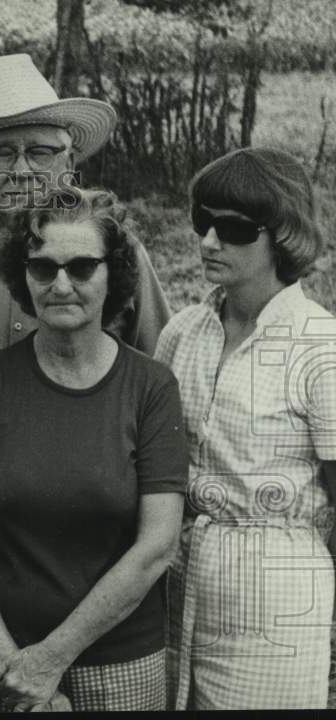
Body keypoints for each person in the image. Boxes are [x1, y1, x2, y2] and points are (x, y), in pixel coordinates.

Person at [0, 53, 174, 711]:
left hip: (87, 527)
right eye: (2, 153)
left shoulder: (117, 256)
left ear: (69, 165)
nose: (22, 170)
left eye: (41, 153)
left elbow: (153, 371)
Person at [0, 188, 187, 712]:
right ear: (22, 275)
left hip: (119, 666)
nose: (62, 285)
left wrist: (51, 659)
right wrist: (13, 664)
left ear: (113, 274)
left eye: (81, 267)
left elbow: (157, 546)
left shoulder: (151, 386)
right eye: (44, 268)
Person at [155, 148, 336, 709]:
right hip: (179, 581)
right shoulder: (184, 332)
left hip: (275, 600)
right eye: (202, 223)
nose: (209, 242)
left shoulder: (319, 346)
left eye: (232, 229)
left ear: (284, 235)